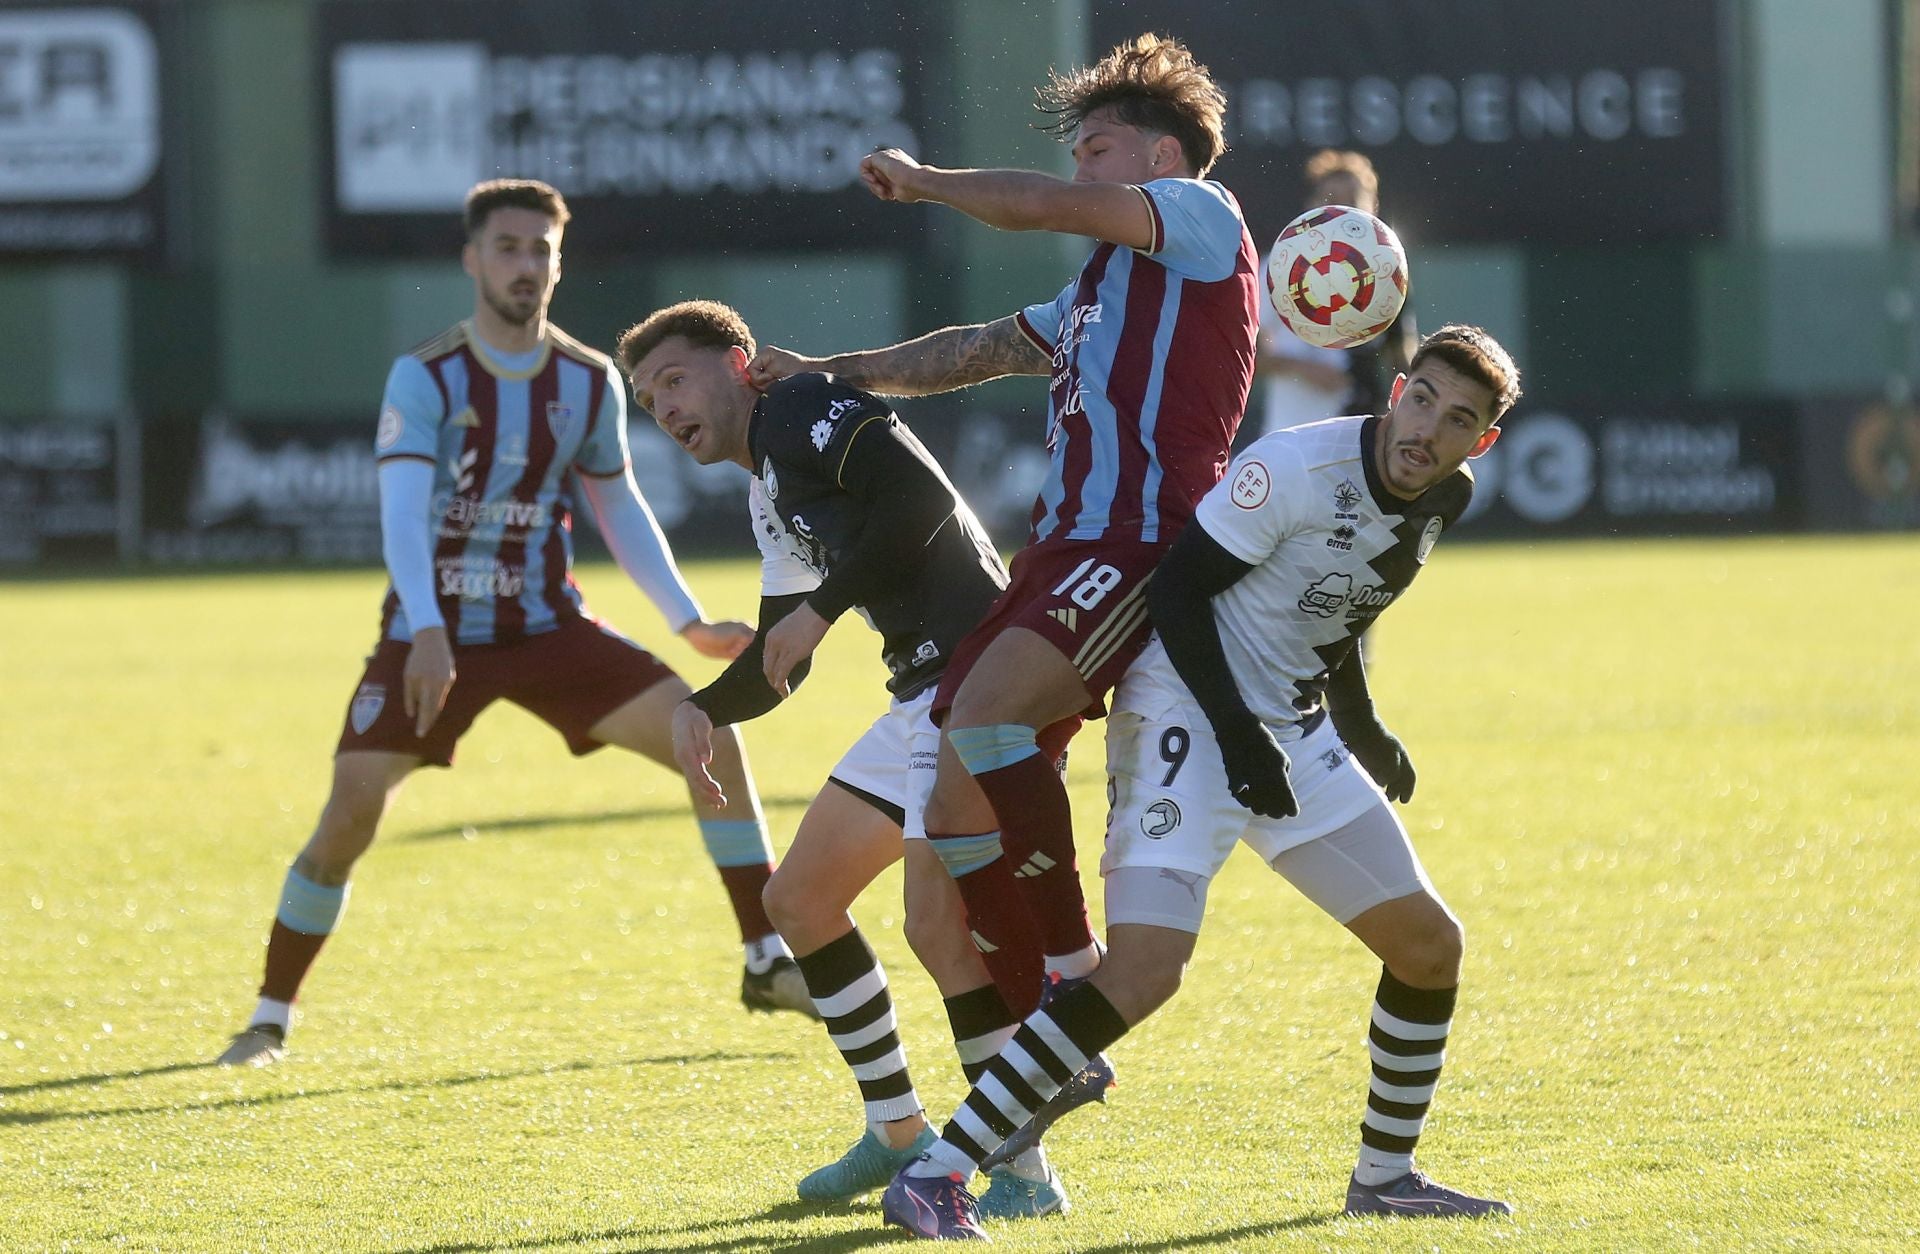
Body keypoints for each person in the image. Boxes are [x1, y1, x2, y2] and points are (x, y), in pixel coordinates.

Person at [880, 325, 1521, 1238]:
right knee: (1144, 973)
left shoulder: (1442, 495)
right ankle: (939, 1172)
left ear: (1481, 442)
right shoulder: (1293, 470)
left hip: (1286, 731)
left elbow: (1336, 601)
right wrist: (1236, 737)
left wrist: (1362, 724)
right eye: (1422, 397)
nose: (1429, 427)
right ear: (1397, 388)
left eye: (1458, 418)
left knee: (1428, 947)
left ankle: (1385, 1177)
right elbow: (1176, 594)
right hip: (1184, 708)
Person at [216, 180, 811, 1069]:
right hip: (435, 635)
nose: (525, 265)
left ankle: (765, 960)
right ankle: (268, 1017)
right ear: (472, 260)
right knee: (350, 814)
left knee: (709, 737)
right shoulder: (425, 377)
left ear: (558, 264)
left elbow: (621, 509)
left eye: (542, 250)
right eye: (507, 248)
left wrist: (686, 620)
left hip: (546, 630)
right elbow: (402, 515)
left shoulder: (587, 379)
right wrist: (423, 630)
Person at [753, 34, 1260, 1033]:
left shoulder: (1202, 216)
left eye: (1098, 149)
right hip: (1059, 556)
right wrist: (830, 371)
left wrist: (926, 181)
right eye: (1078, 153)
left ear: (1161, 158)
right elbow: (971, 351)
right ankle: (1046, 1052)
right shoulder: (1099, 291)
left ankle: (1074, 970)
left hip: (1142, 541)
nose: (1081, 170)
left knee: (980, 723)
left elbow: (1038, 204)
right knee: (946, 816)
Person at [617, 299, 1076, 1218]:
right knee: (799, 900)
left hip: (982, 689)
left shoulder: (798, 408)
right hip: (923, 697)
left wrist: (825, 612)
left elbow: (918, 501)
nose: (663, 408)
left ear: (739, 361)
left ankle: (1024, 1172)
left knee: (938, 930)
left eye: (674, 379)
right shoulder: (767, 490)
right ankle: (898, 1135)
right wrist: (703, 709)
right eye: (646, 397)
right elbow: (781, 653)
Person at [1255, 149, 1419, 442]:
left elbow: (1400, 355)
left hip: (1362, 435)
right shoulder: (1282, 266)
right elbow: (1249, 350)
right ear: (1313, 206)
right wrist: (1302, 368)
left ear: (1373, 207)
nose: (1343, 210)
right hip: (1294, 436)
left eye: (1354, 201)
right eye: (1332, 200)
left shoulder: (1389, 273)